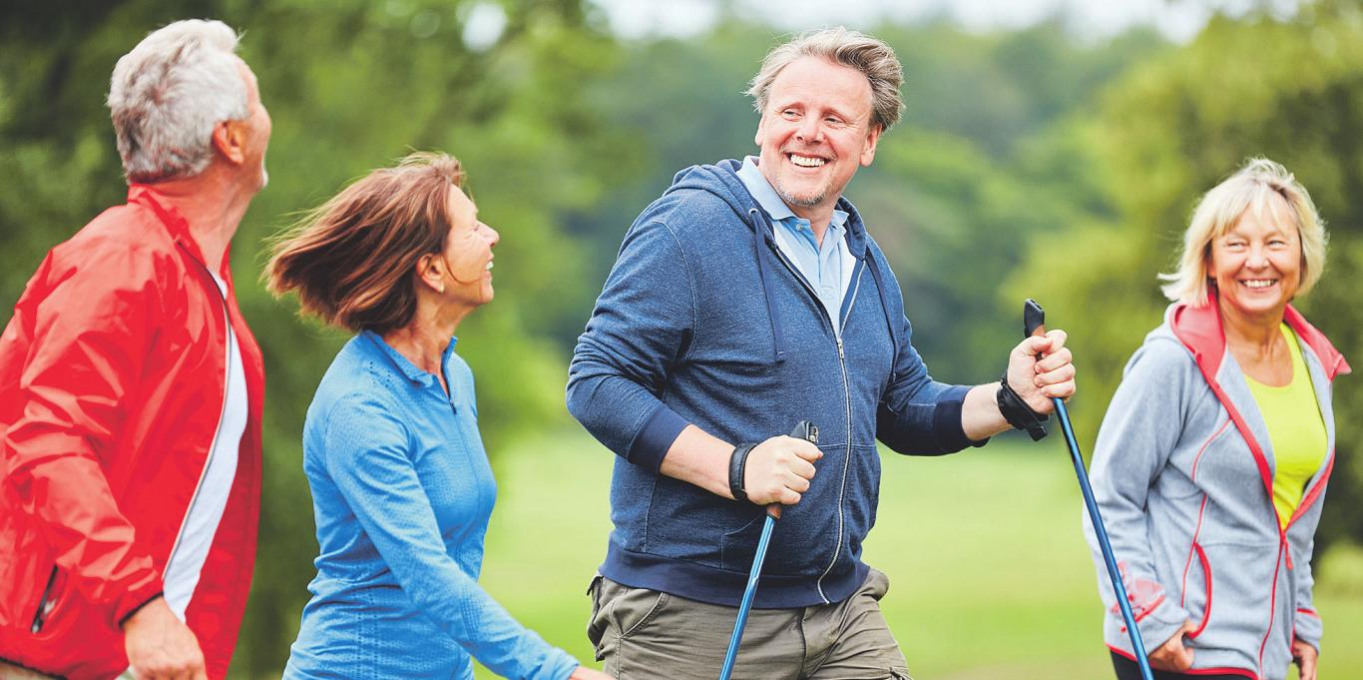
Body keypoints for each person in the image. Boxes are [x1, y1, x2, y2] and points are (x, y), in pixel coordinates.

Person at [566, 27, 1076, 679]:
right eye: (790, 112)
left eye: (833, 118)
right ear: (762, 125)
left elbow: (903, 409)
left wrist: (1010, 400)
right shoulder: (686, 229)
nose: (807, 132)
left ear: (868, 142)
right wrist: (734, 466)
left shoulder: (860, 256)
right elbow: (598, 382)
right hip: (689, 612)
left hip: (838, 608)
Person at [266, 152, 611, 680]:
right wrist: (557, 673)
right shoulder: (361, 407)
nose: (492, 235)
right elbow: (429, 576)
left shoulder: (456, 376)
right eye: (472, 229)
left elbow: (455, 569)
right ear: (430, 269)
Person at [0, 19, 269, 680]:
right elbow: (50, 441)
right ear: (230, 138)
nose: (269, 120)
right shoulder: (120, 259)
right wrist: (140, 606)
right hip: (47, 661)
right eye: (258, 103)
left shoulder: (202, 286)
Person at [1085, 159, 1348, 680]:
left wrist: (1300, 620)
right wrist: (1150, 618)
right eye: (1236, 244)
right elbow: (1110, 497)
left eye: (1276, 243)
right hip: (1182, 644)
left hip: (1264, 651)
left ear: (1302, 256)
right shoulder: (1173, 360)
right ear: (1207, 260)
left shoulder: (1315, 363)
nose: (1258, 261)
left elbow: (1291, 515)